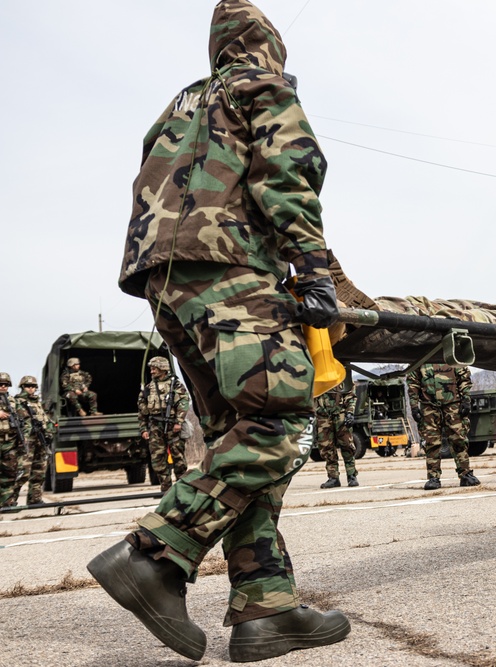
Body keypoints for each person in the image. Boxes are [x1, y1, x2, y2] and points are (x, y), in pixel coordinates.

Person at [86, 1, 349, 662]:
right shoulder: (260, 85)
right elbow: (287, 172)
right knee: (279, 420)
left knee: (240, 433)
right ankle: (154, 554)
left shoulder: (178, 106)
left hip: (166, 281)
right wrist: (313, 266)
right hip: (229, 267)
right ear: (267, 46)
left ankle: (267, 606)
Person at [407, 363, 480, 490]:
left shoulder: (451, 355)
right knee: (431, 442)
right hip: (428, 406)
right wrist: (414, 406)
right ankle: (433, 477)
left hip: (452, 404)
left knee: (459, 439)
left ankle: (465, 474)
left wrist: (466, 399)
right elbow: (413, 382)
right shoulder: (422, 356)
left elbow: (463, 377)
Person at [138, 357, 190, 493]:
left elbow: (183, 403)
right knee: (157, 459)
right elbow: (142, 410)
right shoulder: (148, 388)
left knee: (178, 458)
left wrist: (179, 421)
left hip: (173, 425)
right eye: (151, 368)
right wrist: (143, 428)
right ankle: (166, 489)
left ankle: (182, 488)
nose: (152, 371)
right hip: (155, 426)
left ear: (162, 368)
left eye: (154, 368)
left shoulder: (176, 385)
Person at [12, 376, 52, 506]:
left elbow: (45, 419)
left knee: (39, 471)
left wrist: (49, 430)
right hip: (26, 441)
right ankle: (9, 500)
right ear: (23, 387)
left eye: (34, 386)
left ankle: (35, 498)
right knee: (22, 472)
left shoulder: (37, 402)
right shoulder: (16, 402)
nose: (31, 389)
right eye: (28, 386)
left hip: (40, 440)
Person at [315, 378, 359, 488]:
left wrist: (350, 412)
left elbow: (351, 395)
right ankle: (333, 477)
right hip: (322, 416)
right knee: (326, 448)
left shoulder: (341, 375)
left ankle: (351, 475)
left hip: (340, 414)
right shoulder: (317, 375)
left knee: (347, 446)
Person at [0, 372, 28, 507]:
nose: (3, 387)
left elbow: (23, 420)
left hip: (9, 443)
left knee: (10, 473)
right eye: (1, 384)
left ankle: (7, 501)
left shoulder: (13, 402)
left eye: (6, 385)